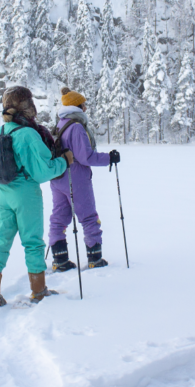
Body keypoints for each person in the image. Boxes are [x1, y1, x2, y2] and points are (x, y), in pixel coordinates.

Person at [0, 86, 74, 309]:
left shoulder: (1, 131)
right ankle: (39, 291)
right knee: (33, 242)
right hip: (26, 194)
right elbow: (42, 171)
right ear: (27, 107)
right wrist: (65, 161)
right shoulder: (28, 134)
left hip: (3, 193)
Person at [48, 87, 121, 271]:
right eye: (84, 104)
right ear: (78, 106)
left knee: (59, 218)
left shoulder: (60, 124)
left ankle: (60, 260)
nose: (86, 107)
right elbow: (85, 157)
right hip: (76, 179)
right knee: (89, 217)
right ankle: (94, 259)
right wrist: (109, 158)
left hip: (58, 178)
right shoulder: (77, 127)